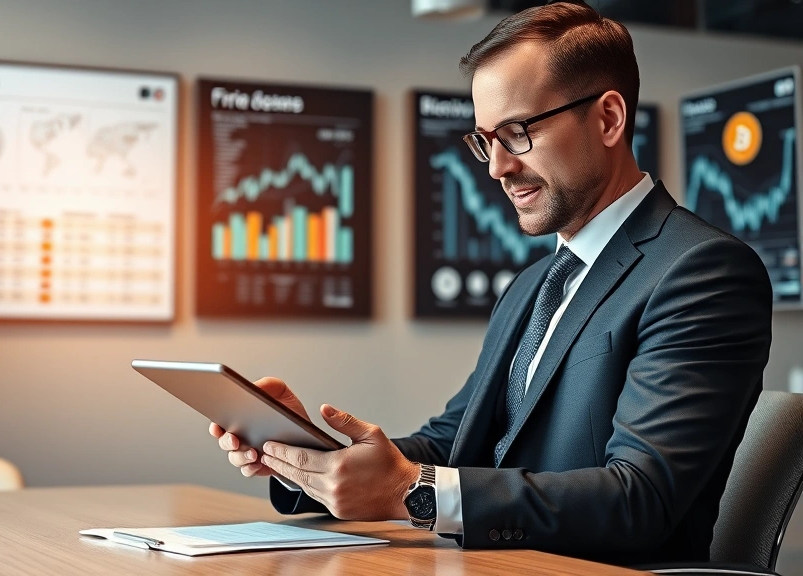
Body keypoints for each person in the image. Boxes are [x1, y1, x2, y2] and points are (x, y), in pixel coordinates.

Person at [209, 0, 773, 565]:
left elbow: (640, 498)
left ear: (608, 119)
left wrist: (410, 492)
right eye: (485, 140)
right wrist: (308, 456)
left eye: (518, 132)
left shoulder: (702, 272)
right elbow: (455, 440)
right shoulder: (534, 285)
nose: (497, 167)